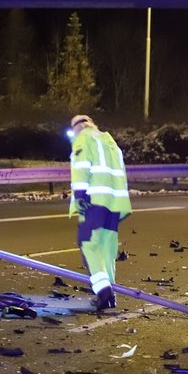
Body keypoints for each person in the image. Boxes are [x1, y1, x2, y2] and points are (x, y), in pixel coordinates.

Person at [68, 115, 131, 311]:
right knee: (107, 248)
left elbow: (81, 167)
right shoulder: (109, 141)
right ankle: (111, 293)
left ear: (77, 127)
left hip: (94, 201)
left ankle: (103, 291)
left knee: (89, 244)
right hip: (114, 203)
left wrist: (79, 195)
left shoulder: (83, 138)